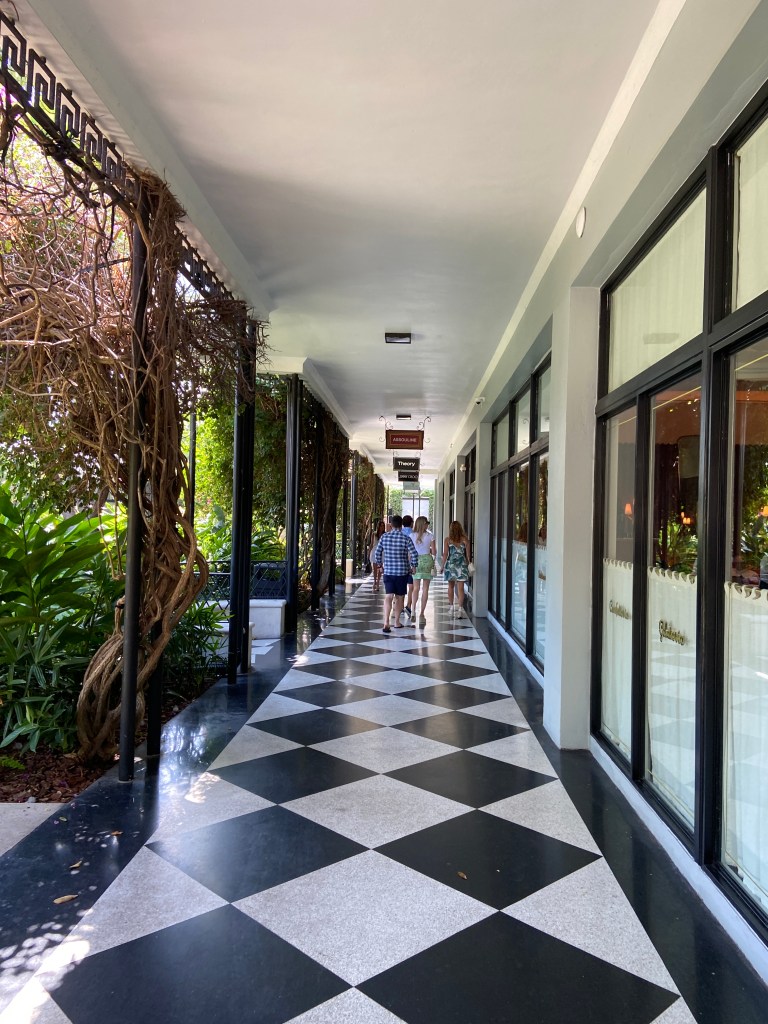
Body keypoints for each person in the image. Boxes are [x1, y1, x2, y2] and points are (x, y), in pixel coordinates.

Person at [373, 514, 418, 633]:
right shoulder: (405, 538)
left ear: (391, 525)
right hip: (402, 572)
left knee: (388, 596)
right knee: (399, 597)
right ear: (401, 525)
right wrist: (413, 566)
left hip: (388, 572)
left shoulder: (384, 537)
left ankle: (386, 622)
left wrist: (380, 565)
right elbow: (414, 553)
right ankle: (397, 622)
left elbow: (377, 553)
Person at [410, 516, 437, 628]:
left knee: (415, 588)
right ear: (423, 524)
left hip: (415, 561)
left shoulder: (411, 536)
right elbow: (434, 552)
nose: (428, 525)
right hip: (427, 560)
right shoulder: (430, 536)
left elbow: (409, 552)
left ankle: (413, 611)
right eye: (427, 523)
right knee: (425, 589)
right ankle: (421, 614)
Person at [442, 519, 471, 618]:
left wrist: (442, 566)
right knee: (461, 589)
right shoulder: (465, 540)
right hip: (462, 565)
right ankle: (460, 609)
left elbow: (445, 554)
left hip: (451, 565)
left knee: (450, 587)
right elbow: (468, 556)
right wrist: (469, 564)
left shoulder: (447, 540)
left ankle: (451, 608)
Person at [401, 514, 415, 620]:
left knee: (400, 586)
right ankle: (408, 606)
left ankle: (400, 606)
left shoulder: (400, 533)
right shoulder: (414, 534)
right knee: (411, 586)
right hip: (411, 564)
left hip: (401, 563)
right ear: (411, 523)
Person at [369, 520, 386, 591]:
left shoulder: (385, 534)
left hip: (382, 552)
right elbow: (371, 544)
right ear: (378, 526)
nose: (382, 527)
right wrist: (369, 552)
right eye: (381, 526)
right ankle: (374, 581)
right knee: (374, 568)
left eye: (383, 526)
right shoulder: (374, 534)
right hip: (374, 551)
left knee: (380, 568)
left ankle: (378, 582)